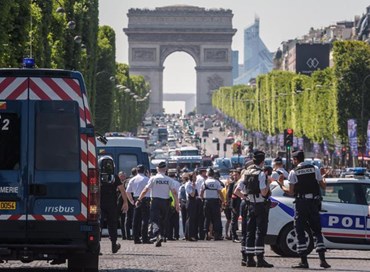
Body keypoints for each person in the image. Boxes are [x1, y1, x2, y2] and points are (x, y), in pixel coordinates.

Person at [277, 150, 331, 269]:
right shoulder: (314, 168)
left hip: (301, 204)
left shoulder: (293, 172)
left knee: (300, 230)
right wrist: (324, 177)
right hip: (313, 203)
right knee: (317, 230)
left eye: (293, 159)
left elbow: (291, 192)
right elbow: (323, 186)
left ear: (296, 160)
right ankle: (323, 260)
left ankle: (304, 261)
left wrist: (281, 185)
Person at [234, 151, 273, 268]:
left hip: (250, 204)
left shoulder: (246, 173)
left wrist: (245, 197)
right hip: (260, 205)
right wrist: (268, 183)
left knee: (250, 232)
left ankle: (249, 259)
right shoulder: (261, 174)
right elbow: (264, 192)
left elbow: (236, 191)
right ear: (262, 162)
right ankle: (260, 259)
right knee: (260, 232)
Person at [136, 161, 180, 247]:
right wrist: (177, 204)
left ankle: (157, 235)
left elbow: (145, 190)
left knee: (154, 220)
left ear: (158, 169)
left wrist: (139, 199)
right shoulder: (169, 179)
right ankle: (162, 235)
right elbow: (174, 192)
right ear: (165, 169)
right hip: (165, 202)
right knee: (163, 219)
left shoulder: (153, 178)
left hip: (155, 201)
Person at [98, 156, 128, 253]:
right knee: (113, 225)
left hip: (99, 205)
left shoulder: (98, 176)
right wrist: (125, 202)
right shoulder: (114, 177)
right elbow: (122, 190)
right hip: (112, 205)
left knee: (98, 225)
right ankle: (113, 245)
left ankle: (96, 247)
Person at [126, 165, 151, 244]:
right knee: (145, 220)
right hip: (146, 199)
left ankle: (136, 238)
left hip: (136, 199)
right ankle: (144, 238)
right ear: (144, 171)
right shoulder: (147, 179)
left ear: (137, 170)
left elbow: (127, 191)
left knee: (136, 220)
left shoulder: (132, 179)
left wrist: (131, 201)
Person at [200, 167, 224, 241]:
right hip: (215, 202)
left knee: (207, 218)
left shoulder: (205, 182)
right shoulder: (216, 182)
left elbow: (201, 193)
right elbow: (220, 192)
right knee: (216, 219)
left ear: (207, 174)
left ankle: (206, 234)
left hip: (207, 201)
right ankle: (216, 235)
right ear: (213, 174)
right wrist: (223, 200)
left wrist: (202, 199)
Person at [117, 171, 133, 240]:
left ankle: (126, 235)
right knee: (122, 219)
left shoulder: (126, 182)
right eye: (121, 176)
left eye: (124, 176)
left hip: (124, 203)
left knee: (125, 219)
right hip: (120, 204)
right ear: (119, 176)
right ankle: (124, 235)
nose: (123, 177)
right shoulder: (117, 183)